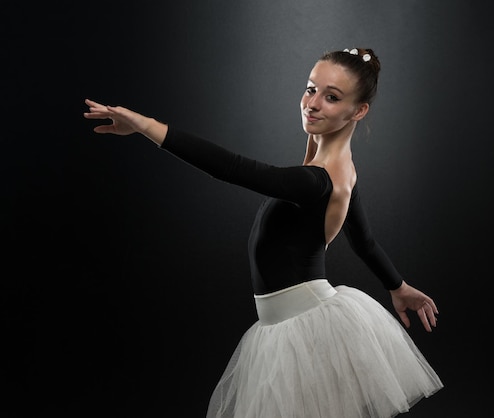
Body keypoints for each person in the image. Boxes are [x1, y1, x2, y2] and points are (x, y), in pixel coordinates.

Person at [84, 47, 443, 418]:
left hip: (299, 327)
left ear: (359, 110)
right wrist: (397, 287)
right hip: (289, 323)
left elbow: (234, 168)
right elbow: (364, 241)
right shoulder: (341, 169)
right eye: (310, 89)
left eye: (331, 97)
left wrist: (145, 125)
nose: (312, 103)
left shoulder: (315, 181)